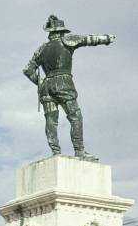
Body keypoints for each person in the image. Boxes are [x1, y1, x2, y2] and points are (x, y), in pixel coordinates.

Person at [23, 15, 115, 161]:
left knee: (51, 121)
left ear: (50, 32)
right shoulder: (67, 40)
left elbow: (27, 70)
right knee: (75, 116)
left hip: (46, 87)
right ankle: (79, 151)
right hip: (64, 84)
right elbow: (88, 39)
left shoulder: (41, 49)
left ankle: (55, 152)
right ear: (61, 31)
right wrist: (107, 38)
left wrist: (40, 83)